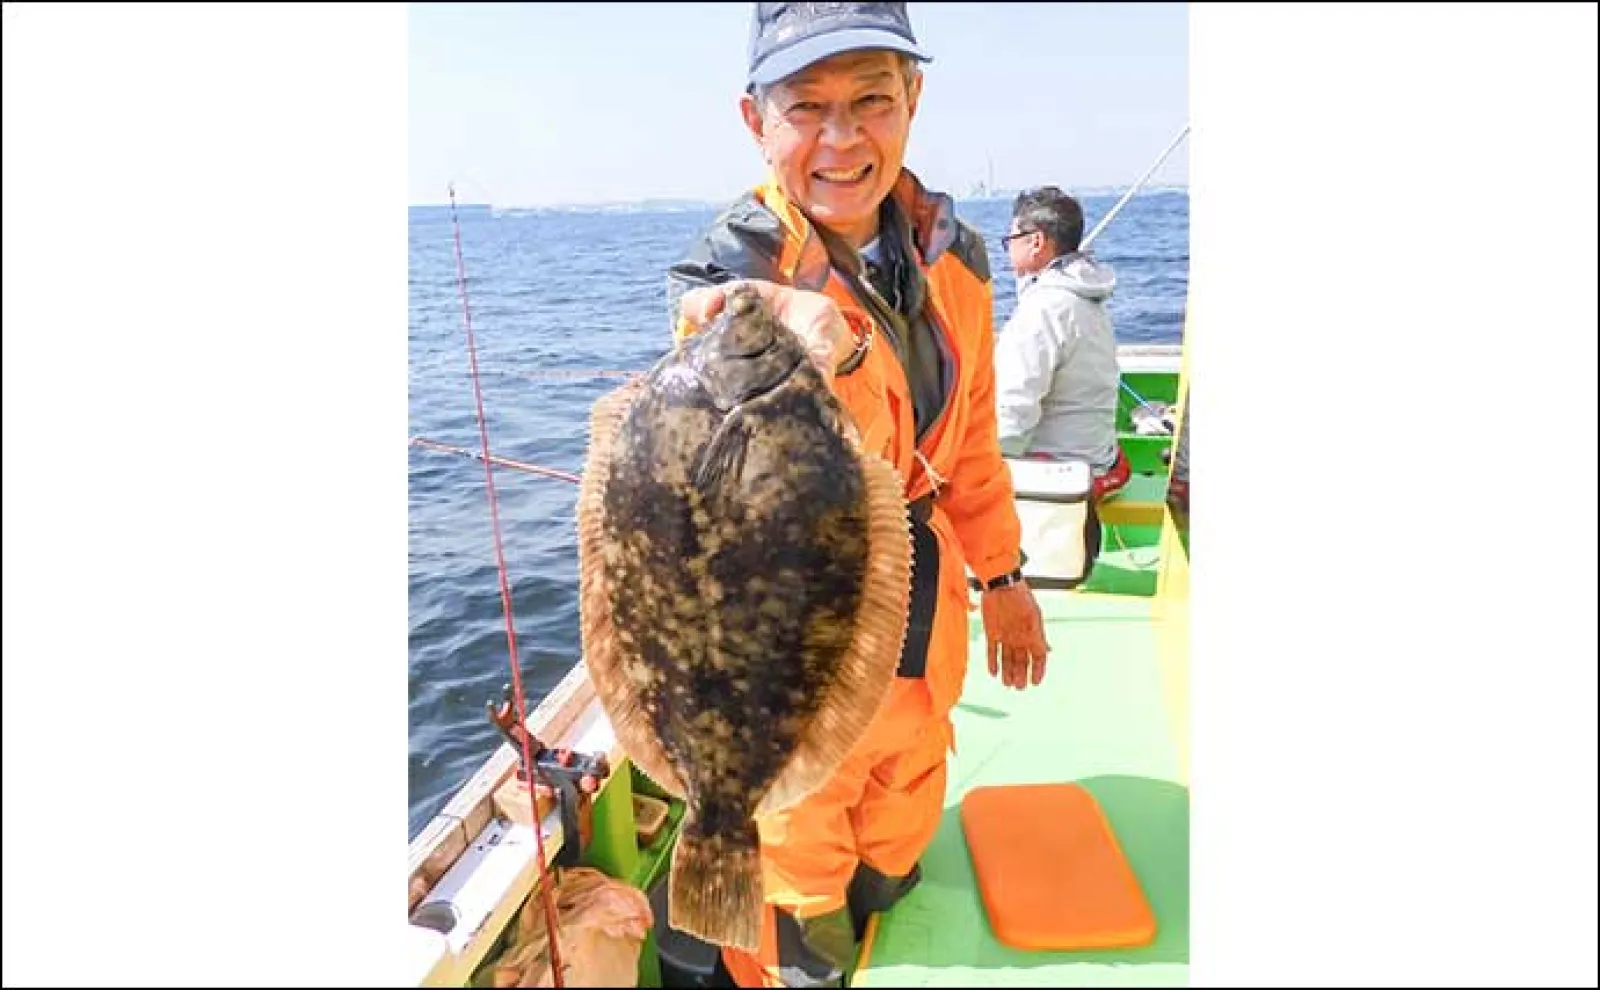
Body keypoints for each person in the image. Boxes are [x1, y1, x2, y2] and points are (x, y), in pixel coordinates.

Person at [664, 3, 1049, 986]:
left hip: (927, 626)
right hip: (796, 656)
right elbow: (699, 330)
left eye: (870, 100)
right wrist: (738, 315)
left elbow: (968, 447)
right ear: (758, 122)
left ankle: (877, 882)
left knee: (897, 853)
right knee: (800, 917)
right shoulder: (741, 263)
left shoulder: (950, 257)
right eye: (807, 108)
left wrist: (1003, 574)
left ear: (911, 101)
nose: (841, 138)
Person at [993, 186, 1131, 501]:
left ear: (1036, 242)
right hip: (1098, 461)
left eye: (1010, 240)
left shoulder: (1043, 309)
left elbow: (1013, 414)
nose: (1007, 250)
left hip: (1062, 473)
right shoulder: (1087, 296)